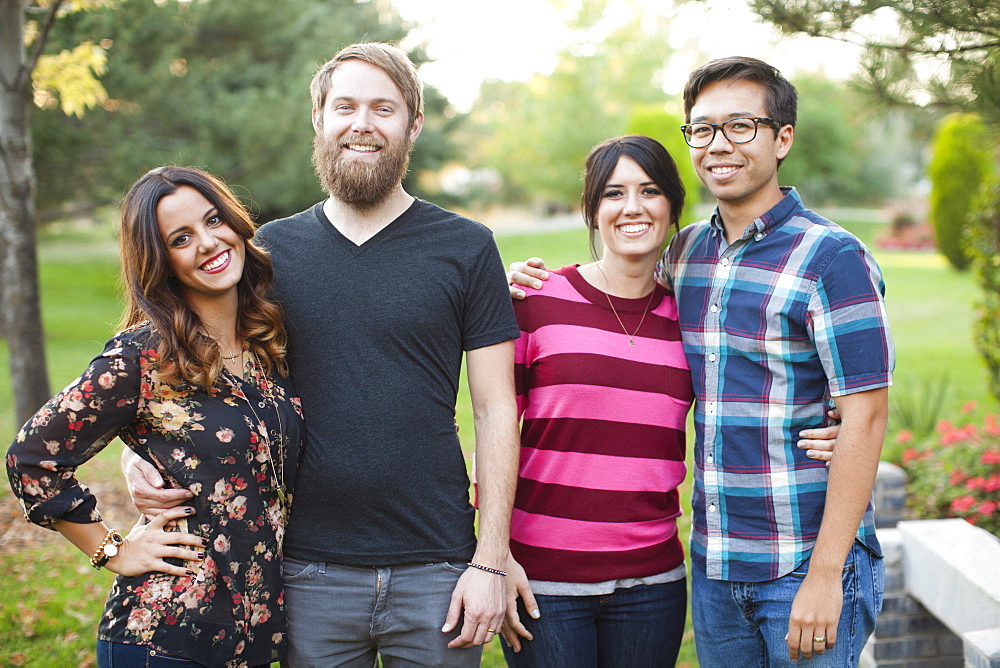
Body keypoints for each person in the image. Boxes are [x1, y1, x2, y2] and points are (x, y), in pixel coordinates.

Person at [125, 42, 522, 667]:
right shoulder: (265, 257)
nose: (362, 123)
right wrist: (138, 457)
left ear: (413, 125)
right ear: (319, 117)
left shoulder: (468, 248)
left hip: (439, 568)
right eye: (345, 105)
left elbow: (498, 410)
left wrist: (490, 558)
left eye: (383, 108)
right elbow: (181, 357)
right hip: (305, 570)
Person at [509, 56, 892, 666]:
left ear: (782, 137)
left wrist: (826, 575)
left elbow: (867, 416)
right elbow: (613, 300)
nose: (720, 144)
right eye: (703, 129)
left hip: (801, 560)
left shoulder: (832, 257)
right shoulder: (686, 255)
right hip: (715, 567)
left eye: (741, 126)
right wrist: (517, 286)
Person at [6, 166, 303, 668]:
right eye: (181, 238)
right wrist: (113, 551)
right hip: (165, 638)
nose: (208, 243)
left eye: (214, 220)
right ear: (160, 261)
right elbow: (31, 460)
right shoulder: (142, 357)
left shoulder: (264, 344)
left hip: (250, 640)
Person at [497, 135, 691, 667]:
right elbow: (494, 431)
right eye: (613, 193)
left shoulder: (691, 318)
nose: (632, 207)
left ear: (672, 207)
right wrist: (495, 556)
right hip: (544, 579)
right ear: (592, 209)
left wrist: (835, 419)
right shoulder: (535, 301)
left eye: (649, 191)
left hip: (654, 581)